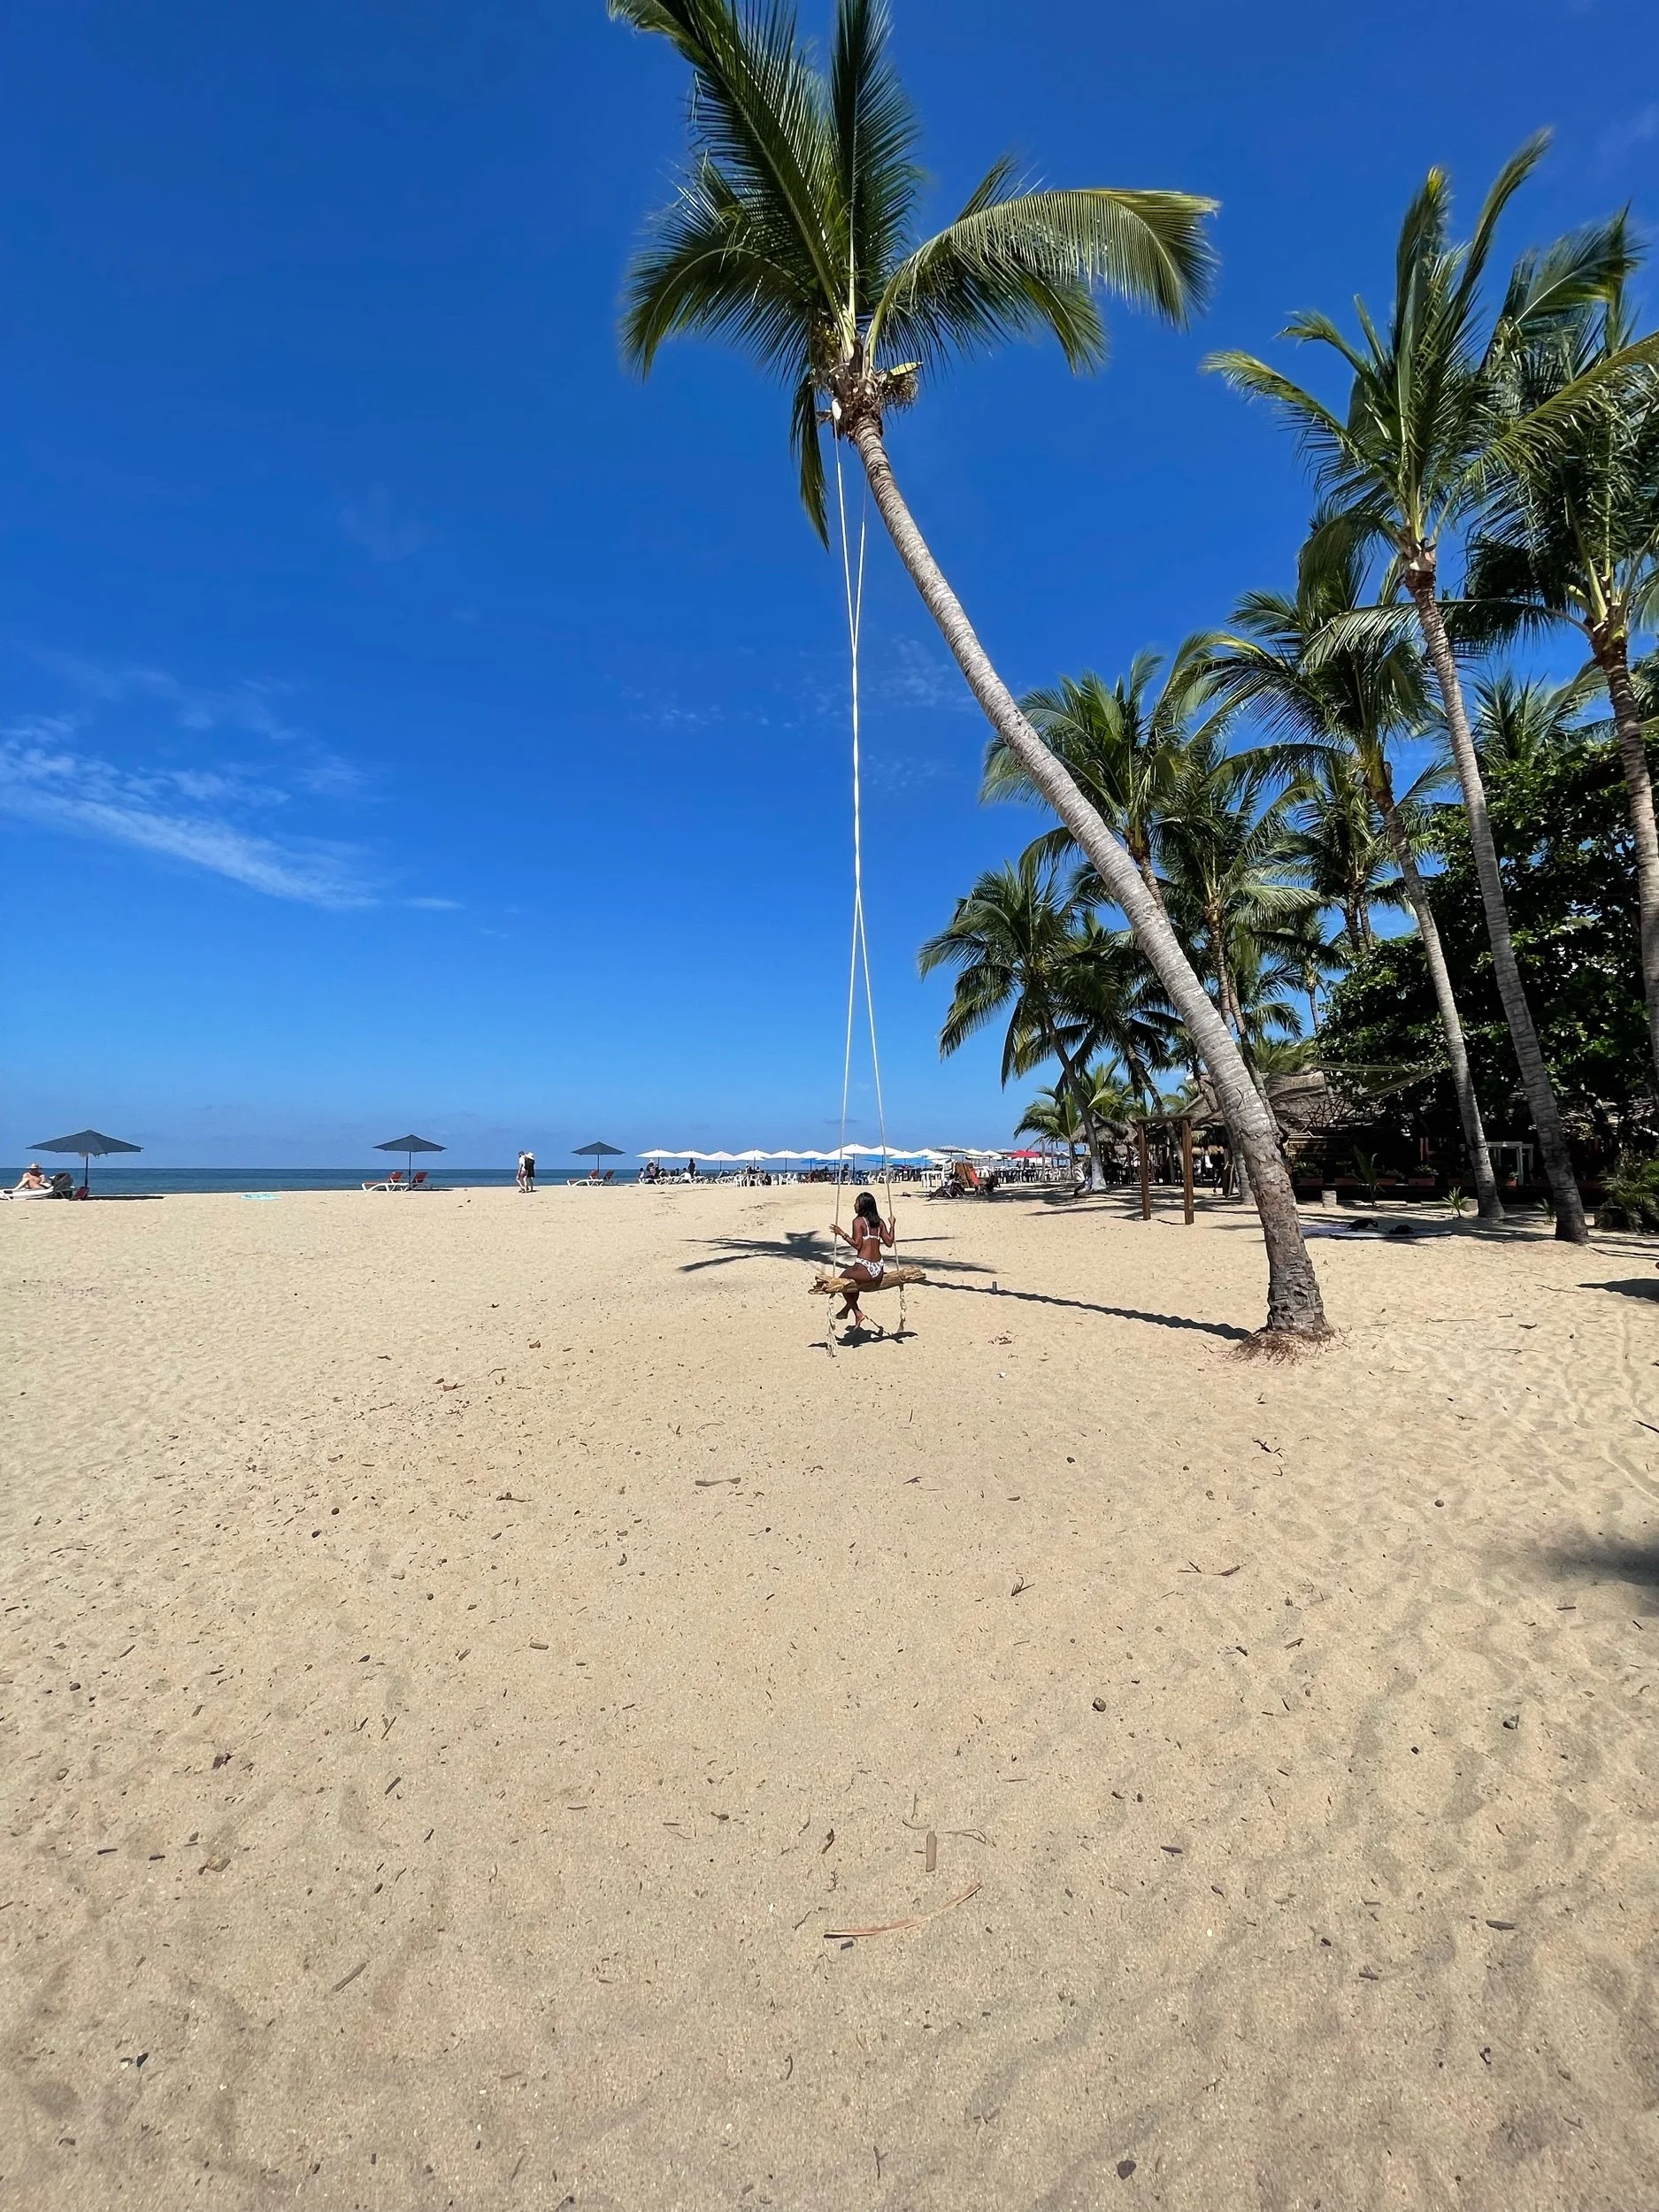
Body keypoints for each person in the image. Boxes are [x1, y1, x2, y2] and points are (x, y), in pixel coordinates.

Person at [828, 1189, 895, 1329]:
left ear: (863, 1206)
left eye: (856, 1203)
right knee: (854, 1285)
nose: (854, 1205)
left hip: (865, 1267)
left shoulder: (858, 1221)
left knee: (842, 1281)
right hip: (879, 1269)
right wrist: (892, 1225)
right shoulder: (880, 1223)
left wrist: (841, 1233)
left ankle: (857, 1313)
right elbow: (889, 1242)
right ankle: (848, 1309)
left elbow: (857, 1245)